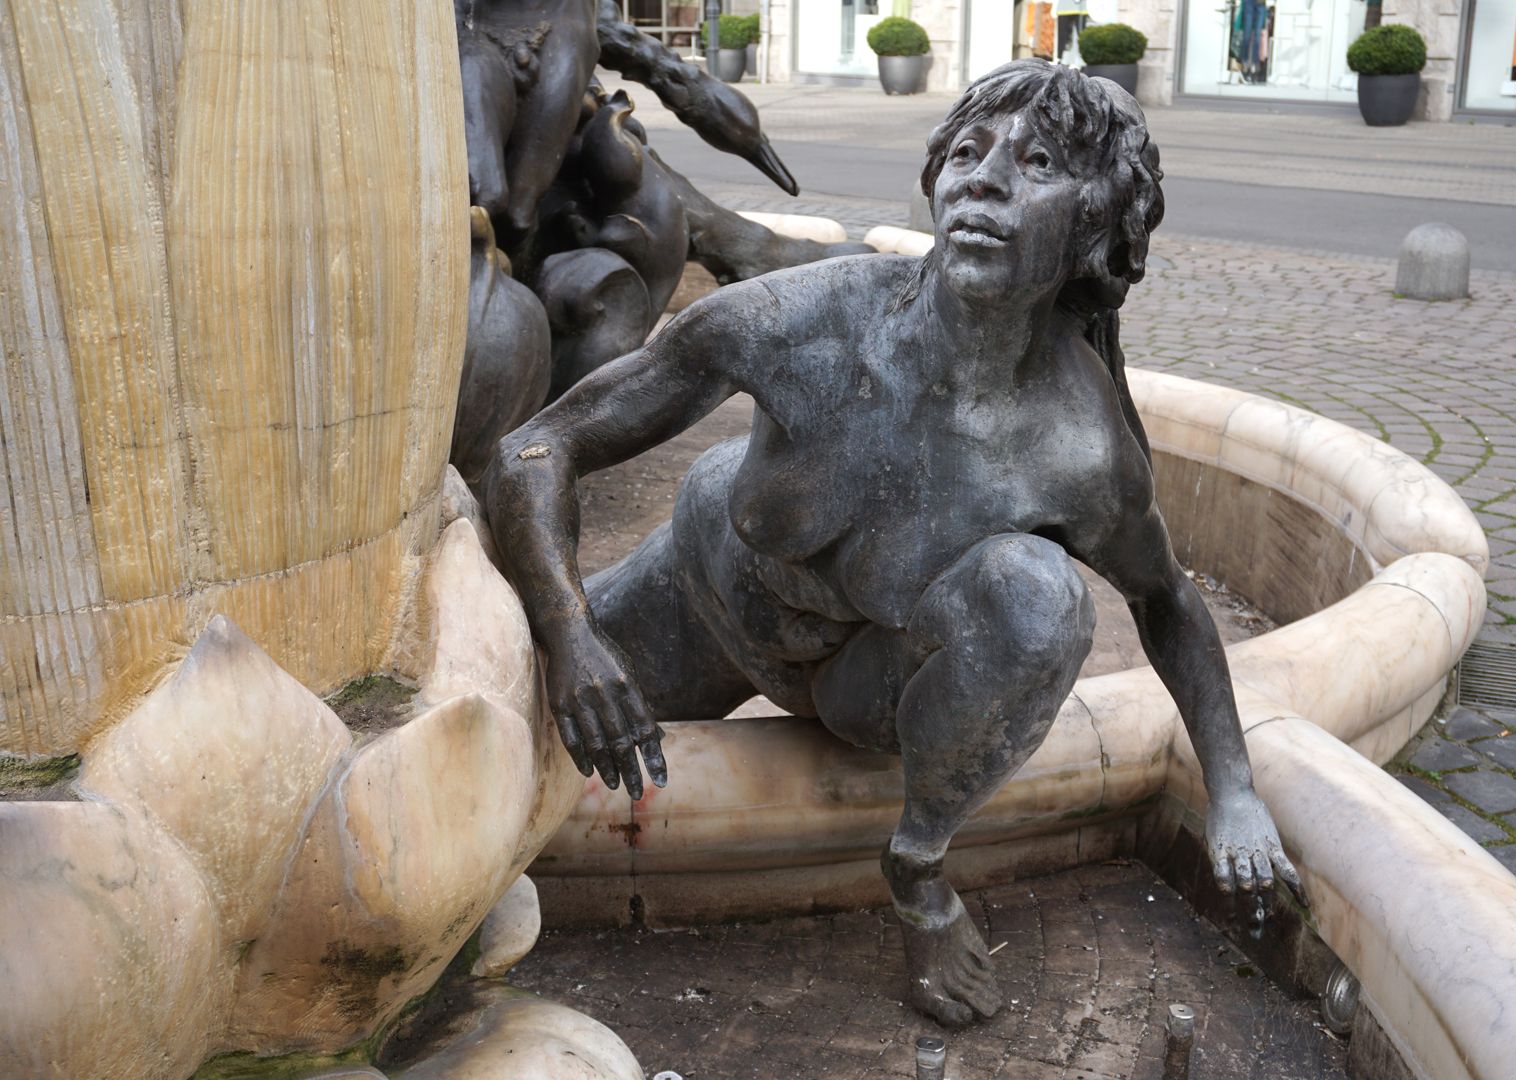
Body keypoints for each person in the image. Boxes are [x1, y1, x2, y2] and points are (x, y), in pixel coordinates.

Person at [487, 59, 1304, 1028]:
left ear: (1096, 222)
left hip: (864, 690)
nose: (984, 179)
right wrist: (571, 635)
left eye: (1037, 162)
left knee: (1040, 597)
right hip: (701, 604)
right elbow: (537, 446)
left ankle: (917, 868)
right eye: (966, 152)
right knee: (489, 771)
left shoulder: (1078, 447)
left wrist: (1236, 791)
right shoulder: (805, 322)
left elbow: (1164, 599)